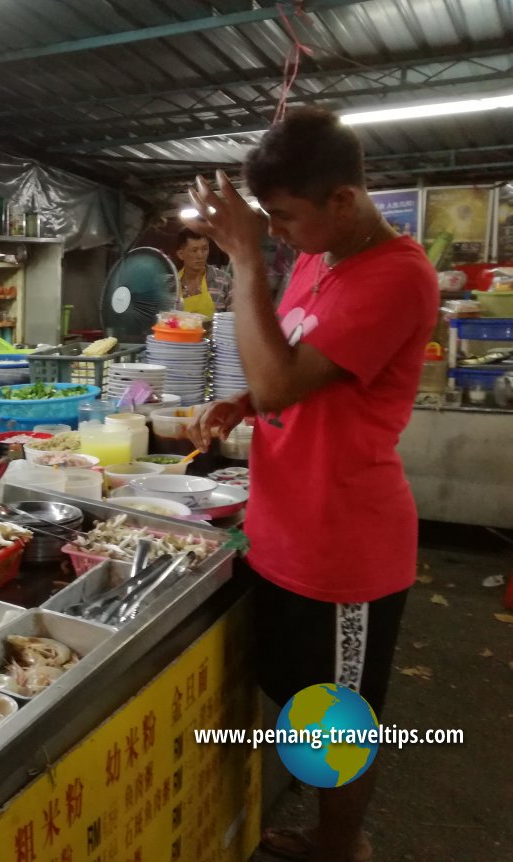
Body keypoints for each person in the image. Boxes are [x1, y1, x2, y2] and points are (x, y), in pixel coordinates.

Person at [183, 107, 437, 862]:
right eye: (271, 221)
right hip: (281, 529)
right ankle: (324, 836)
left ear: (344, 201)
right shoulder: (320, 258)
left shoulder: (397, 275)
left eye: (287, 218)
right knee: (299, 702)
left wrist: (249, 261)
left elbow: (287, 379)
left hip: (345, 546)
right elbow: (284, 374)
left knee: (339, 719)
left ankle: (341, 849)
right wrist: (245, 400)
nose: (281, 233)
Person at [174, 227, 232, 317]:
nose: (200, 255)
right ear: (181, 254)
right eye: (194, 250)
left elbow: (235, 318)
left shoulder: (223, 280)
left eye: (204, 249)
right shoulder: (171, 284)